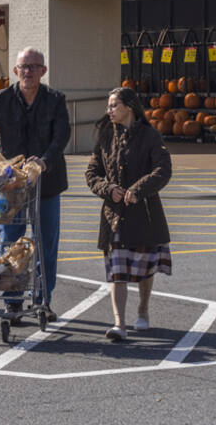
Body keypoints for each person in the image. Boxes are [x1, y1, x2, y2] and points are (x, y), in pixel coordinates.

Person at [0, 47, 70, 317]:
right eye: (24, 66)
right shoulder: (1, 99)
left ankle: (43, 300)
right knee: (10, 242)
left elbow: (61, 137)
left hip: (47, 183)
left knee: (46, 244)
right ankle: (12, 300)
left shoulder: (55, 100)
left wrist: (44, 161)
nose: (29, 71)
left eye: (34, 66)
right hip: (10, 186)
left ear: (43, 71)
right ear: (16, 71)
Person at [85, 85, 171, 342]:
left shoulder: (150, 136)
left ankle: (143, 310)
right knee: (117, 269)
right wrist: (107, 188)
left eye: (113, 105)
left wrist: (138, 189)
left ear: (129, 108)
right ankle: (119, 323)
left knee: (145, 268)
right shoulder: (104, 136)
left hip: (144, 213)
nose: (108, 110)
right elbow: (91, 173)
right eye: (108, 106)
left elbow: (163, 170)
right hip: (114, 215)